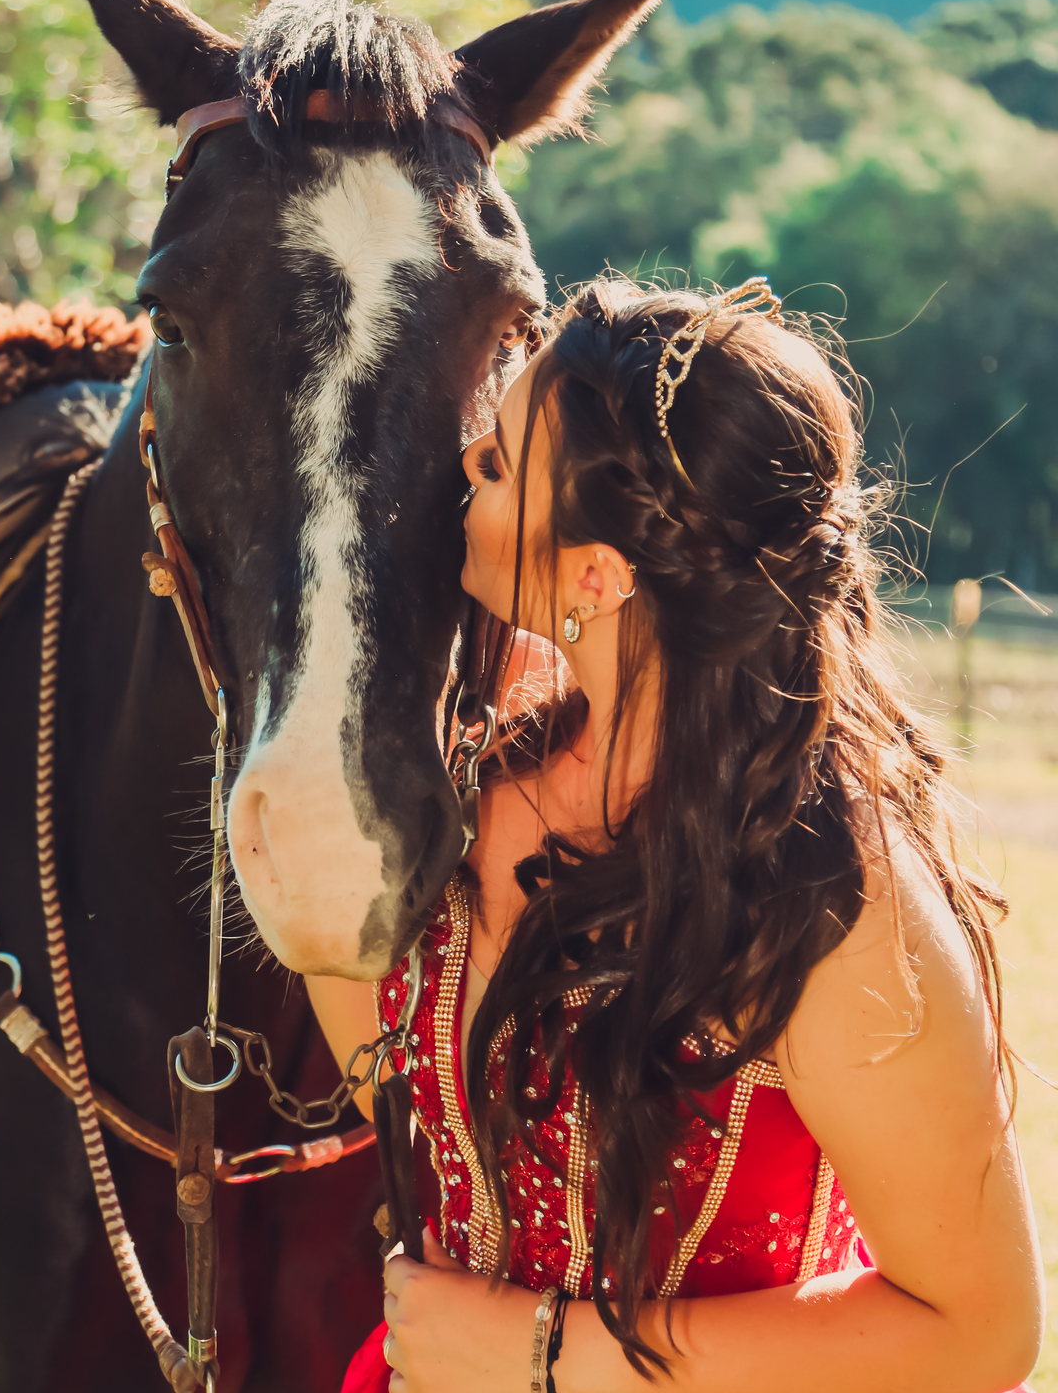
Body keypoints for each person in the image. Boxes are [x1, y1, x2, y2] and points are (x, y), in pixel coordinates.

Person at [308, 277, 1043, 1393]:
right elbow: (417, 1090)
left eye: (497, 464)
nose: (464, 466)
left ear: (596, 576)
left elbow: (980, 1329)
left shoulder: (832, 898)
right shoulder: (479, 774)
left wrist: (543, 1356)